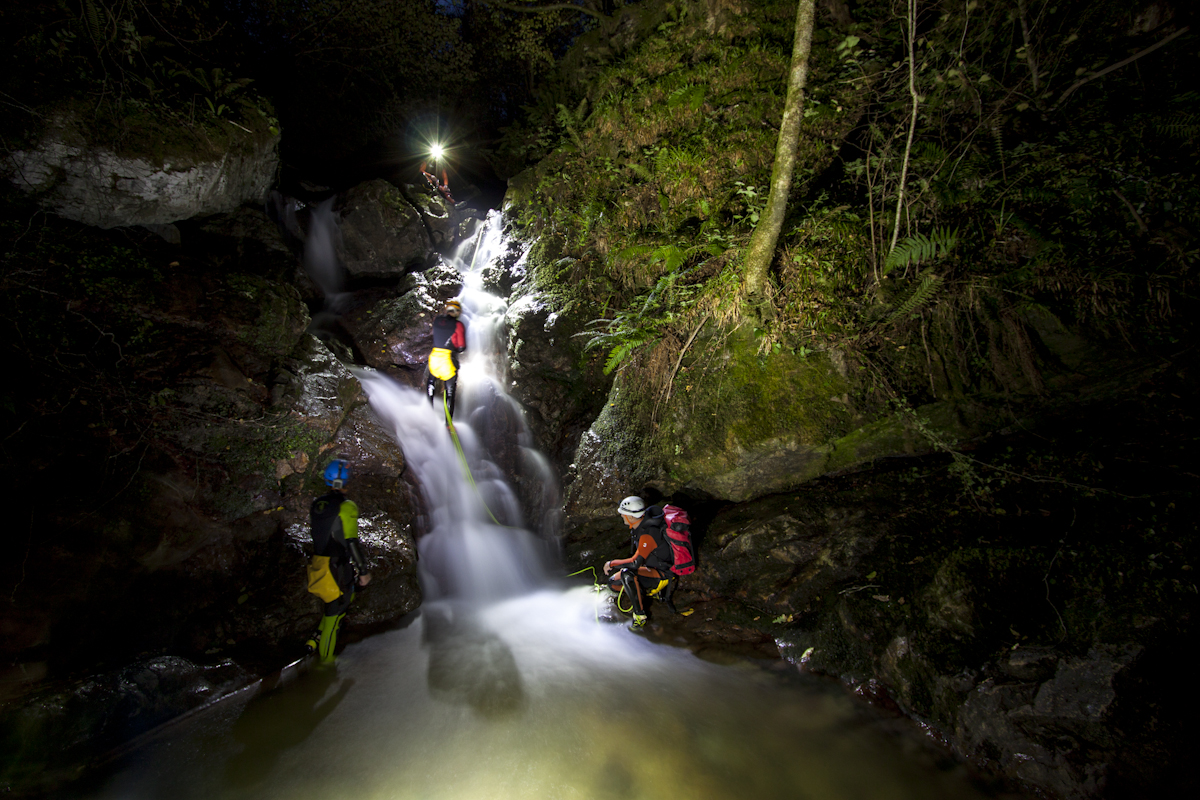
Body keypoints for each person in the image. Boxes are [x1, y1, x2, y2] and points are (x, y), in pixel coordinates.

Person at [306, 459, 371, 665]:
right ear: (347, 481)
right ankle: (325, 666)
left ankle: (315, 639)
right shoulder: (347, 506)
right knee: (335, 618)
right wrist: (363, 571)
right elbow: (351, 541)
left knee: (334, 607)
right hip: (336, 568)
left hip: (318, 565)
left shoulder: (317, 504)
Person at [603, 496, 674, 628]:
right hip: (650, 567)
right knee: (613, 584)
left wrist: (611, 563)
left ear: (630, 517)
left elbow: (635, 563)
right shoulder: (640, 525)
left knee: (626, 574)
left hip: (662, 573)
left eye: (623, 515)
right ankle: (641, 593)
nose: (622, 517)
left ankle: (640, 615)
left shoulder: (648, 533)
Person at [425, 299, 467, 419]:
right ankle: (448, 422)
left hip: (433, 359)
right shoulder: (458, 325)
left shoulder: (437, 320)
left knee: (431, 382)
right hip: (446, 362)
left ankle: (428, 413)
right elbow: (461, 347)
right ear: (457, 312)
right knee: (449, 392)